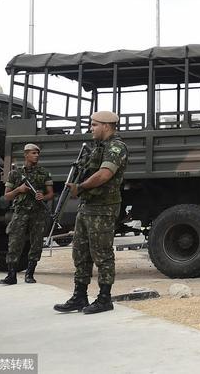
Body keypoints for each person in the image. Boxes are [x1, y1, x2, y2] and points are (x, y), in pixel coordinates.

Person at [53, 111, 128, 315]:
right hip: (87, 207)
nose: (91, 128)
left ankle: (104, 298)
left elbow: (104, 174)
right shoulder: (96, 149)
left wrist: (81, 187)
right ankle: (80, 296)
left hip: (103, 208)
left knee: (102, 253)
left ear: (106, 126)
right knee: (81, 252)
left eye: (94, 125)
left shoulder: (116, 147)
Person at [0, 143, 54, 285]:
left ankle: (30, 274)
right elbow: (7, 196)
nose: (36, 156)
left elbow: (51, 194)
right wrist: (19, 190)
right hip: (20, 212)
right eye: (33, 153)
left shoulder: (44, 173)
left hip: (38, 213)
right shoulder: (15, 173)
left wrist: (43, 196)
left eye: (37, 153)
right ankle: (11, 275)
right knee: (14, 242)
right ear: (26, 155)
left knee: (36, 243)